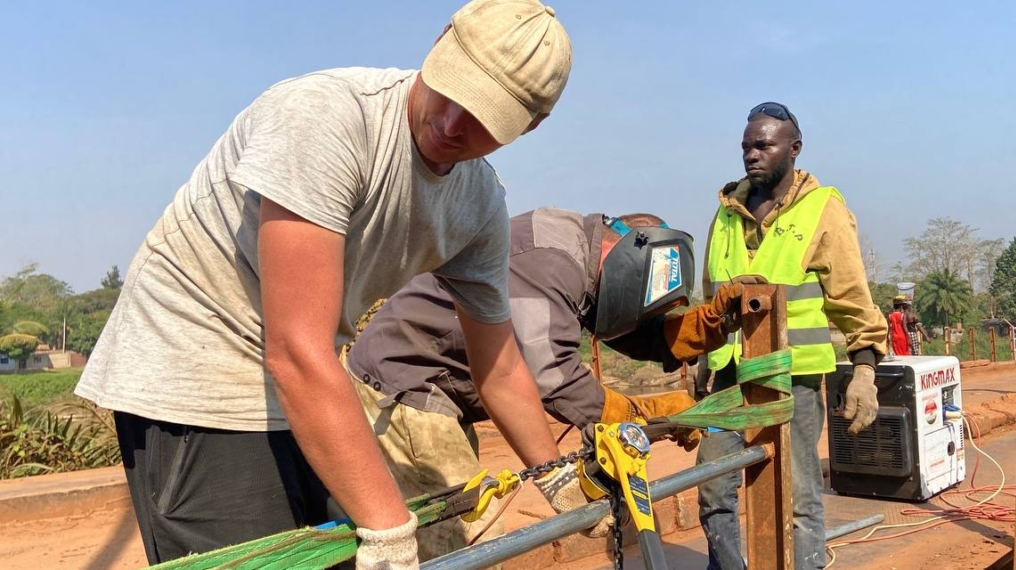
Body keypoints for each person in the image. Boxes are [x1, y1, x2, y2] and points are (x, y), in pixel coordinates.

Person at [73, 2, 574, 568]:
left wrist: (561, 479)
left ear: (531, 124)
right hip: (199, 358)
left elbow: (500, 369)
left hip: (307, 375)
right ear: (439, 43)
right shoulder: (327, 118)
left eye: (486, 117)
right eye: (454, 90)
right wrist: (390, 531)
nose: (453, 123)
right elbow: (295, 350)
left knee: (340, 550)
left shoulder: (478, 204)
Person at [346, 208, 757, 561]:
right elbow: (553, 376)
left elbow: (622, 329)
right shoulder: (550, 263)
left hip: (439, 392)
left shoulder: (580, 256)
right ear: (626, 258)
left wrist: (711, 325)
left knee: (440, 533)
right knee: (471, 538)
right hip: (407, 386)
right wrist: (638, 415)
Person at [697, 102, 888, 570]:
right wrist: (703, 361)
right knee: (713, 487)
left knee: (797, 496)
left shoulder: (823, 210)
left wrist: (865, 372)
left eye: (764, 145)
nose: (752, 154)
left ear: (794, 148)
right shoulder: (725, 213)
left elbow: (851, 298)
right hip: (729, 379)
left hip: (794, 380)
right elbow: (710, 299)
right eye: (746, 146)